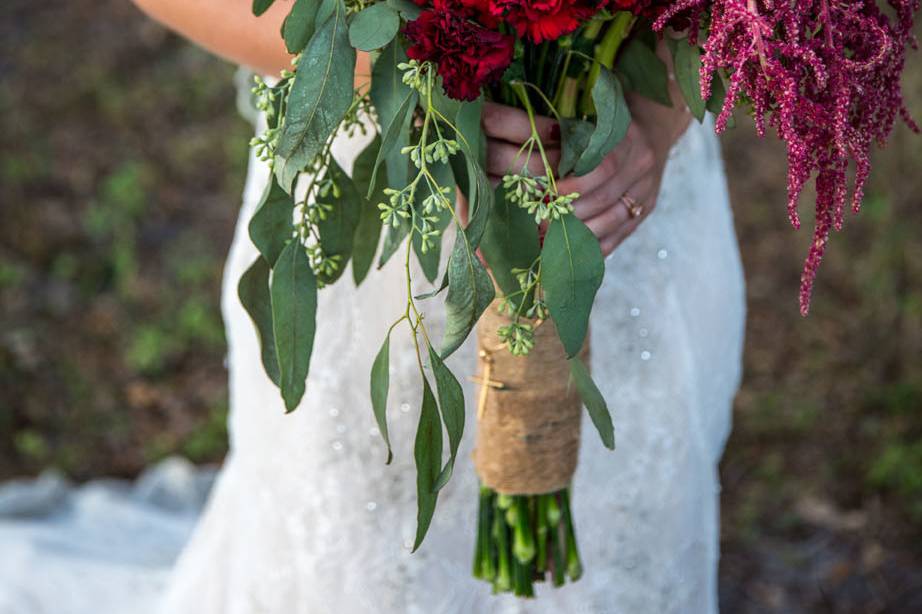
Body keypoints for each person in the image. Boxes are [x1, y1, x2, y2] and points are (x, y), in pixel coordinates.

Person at [131, 1, 747, 612]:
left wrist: (655, 116)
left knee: (620, 530)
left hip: (616, 176)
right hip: (378, 202)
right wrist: (427, 69)